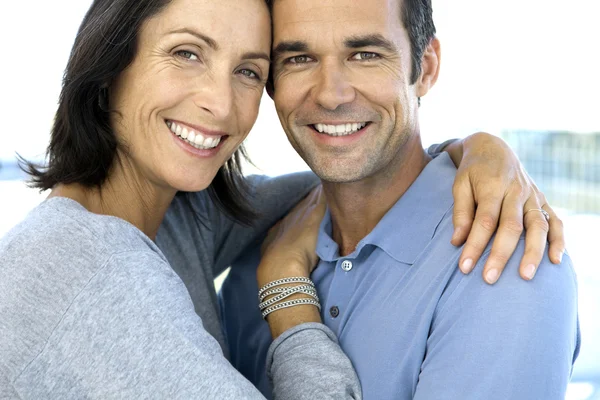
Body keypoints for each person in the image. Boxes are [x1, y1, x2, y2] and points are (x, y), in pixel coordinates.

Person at [0, 0, 566, 399]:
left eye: (247, 69)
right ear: (107, 68)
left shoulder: (177, 216)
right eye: (187, 54)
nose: (220, 104)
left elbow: (349, 180)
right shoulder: (85, 275)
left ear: (426, 66)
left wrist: (479, 152)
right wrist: (283, 289)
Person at [219, 0, 581, 399]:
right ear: (271, 83)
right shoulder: (254, 258)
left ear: (425, 68)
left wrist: (284, 293)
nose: (331, 94)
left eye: (365, 55)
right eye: (299, 58)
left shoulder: (508, 259)